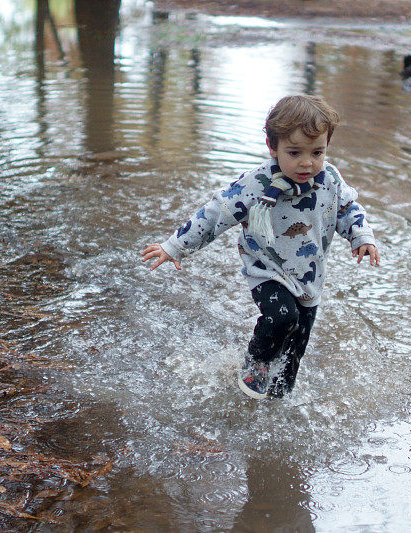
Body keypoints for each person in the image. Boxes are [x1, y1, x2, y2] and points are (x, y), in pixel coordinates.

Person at [141, 94, 380, 399]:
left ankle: (279, 398)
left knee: (295, 348)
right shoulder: (257, 184)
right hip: (266, 270)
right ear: (272, 146)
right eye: (294, 152)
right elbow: (217, 213)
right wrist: (175, 246)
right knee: (283, 319)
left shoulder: (329, 179)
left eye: (317, 152)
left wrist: (362, 237)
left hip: (309, 276)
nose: (307, 163)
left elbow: (348, 209)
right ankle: (255, 364)